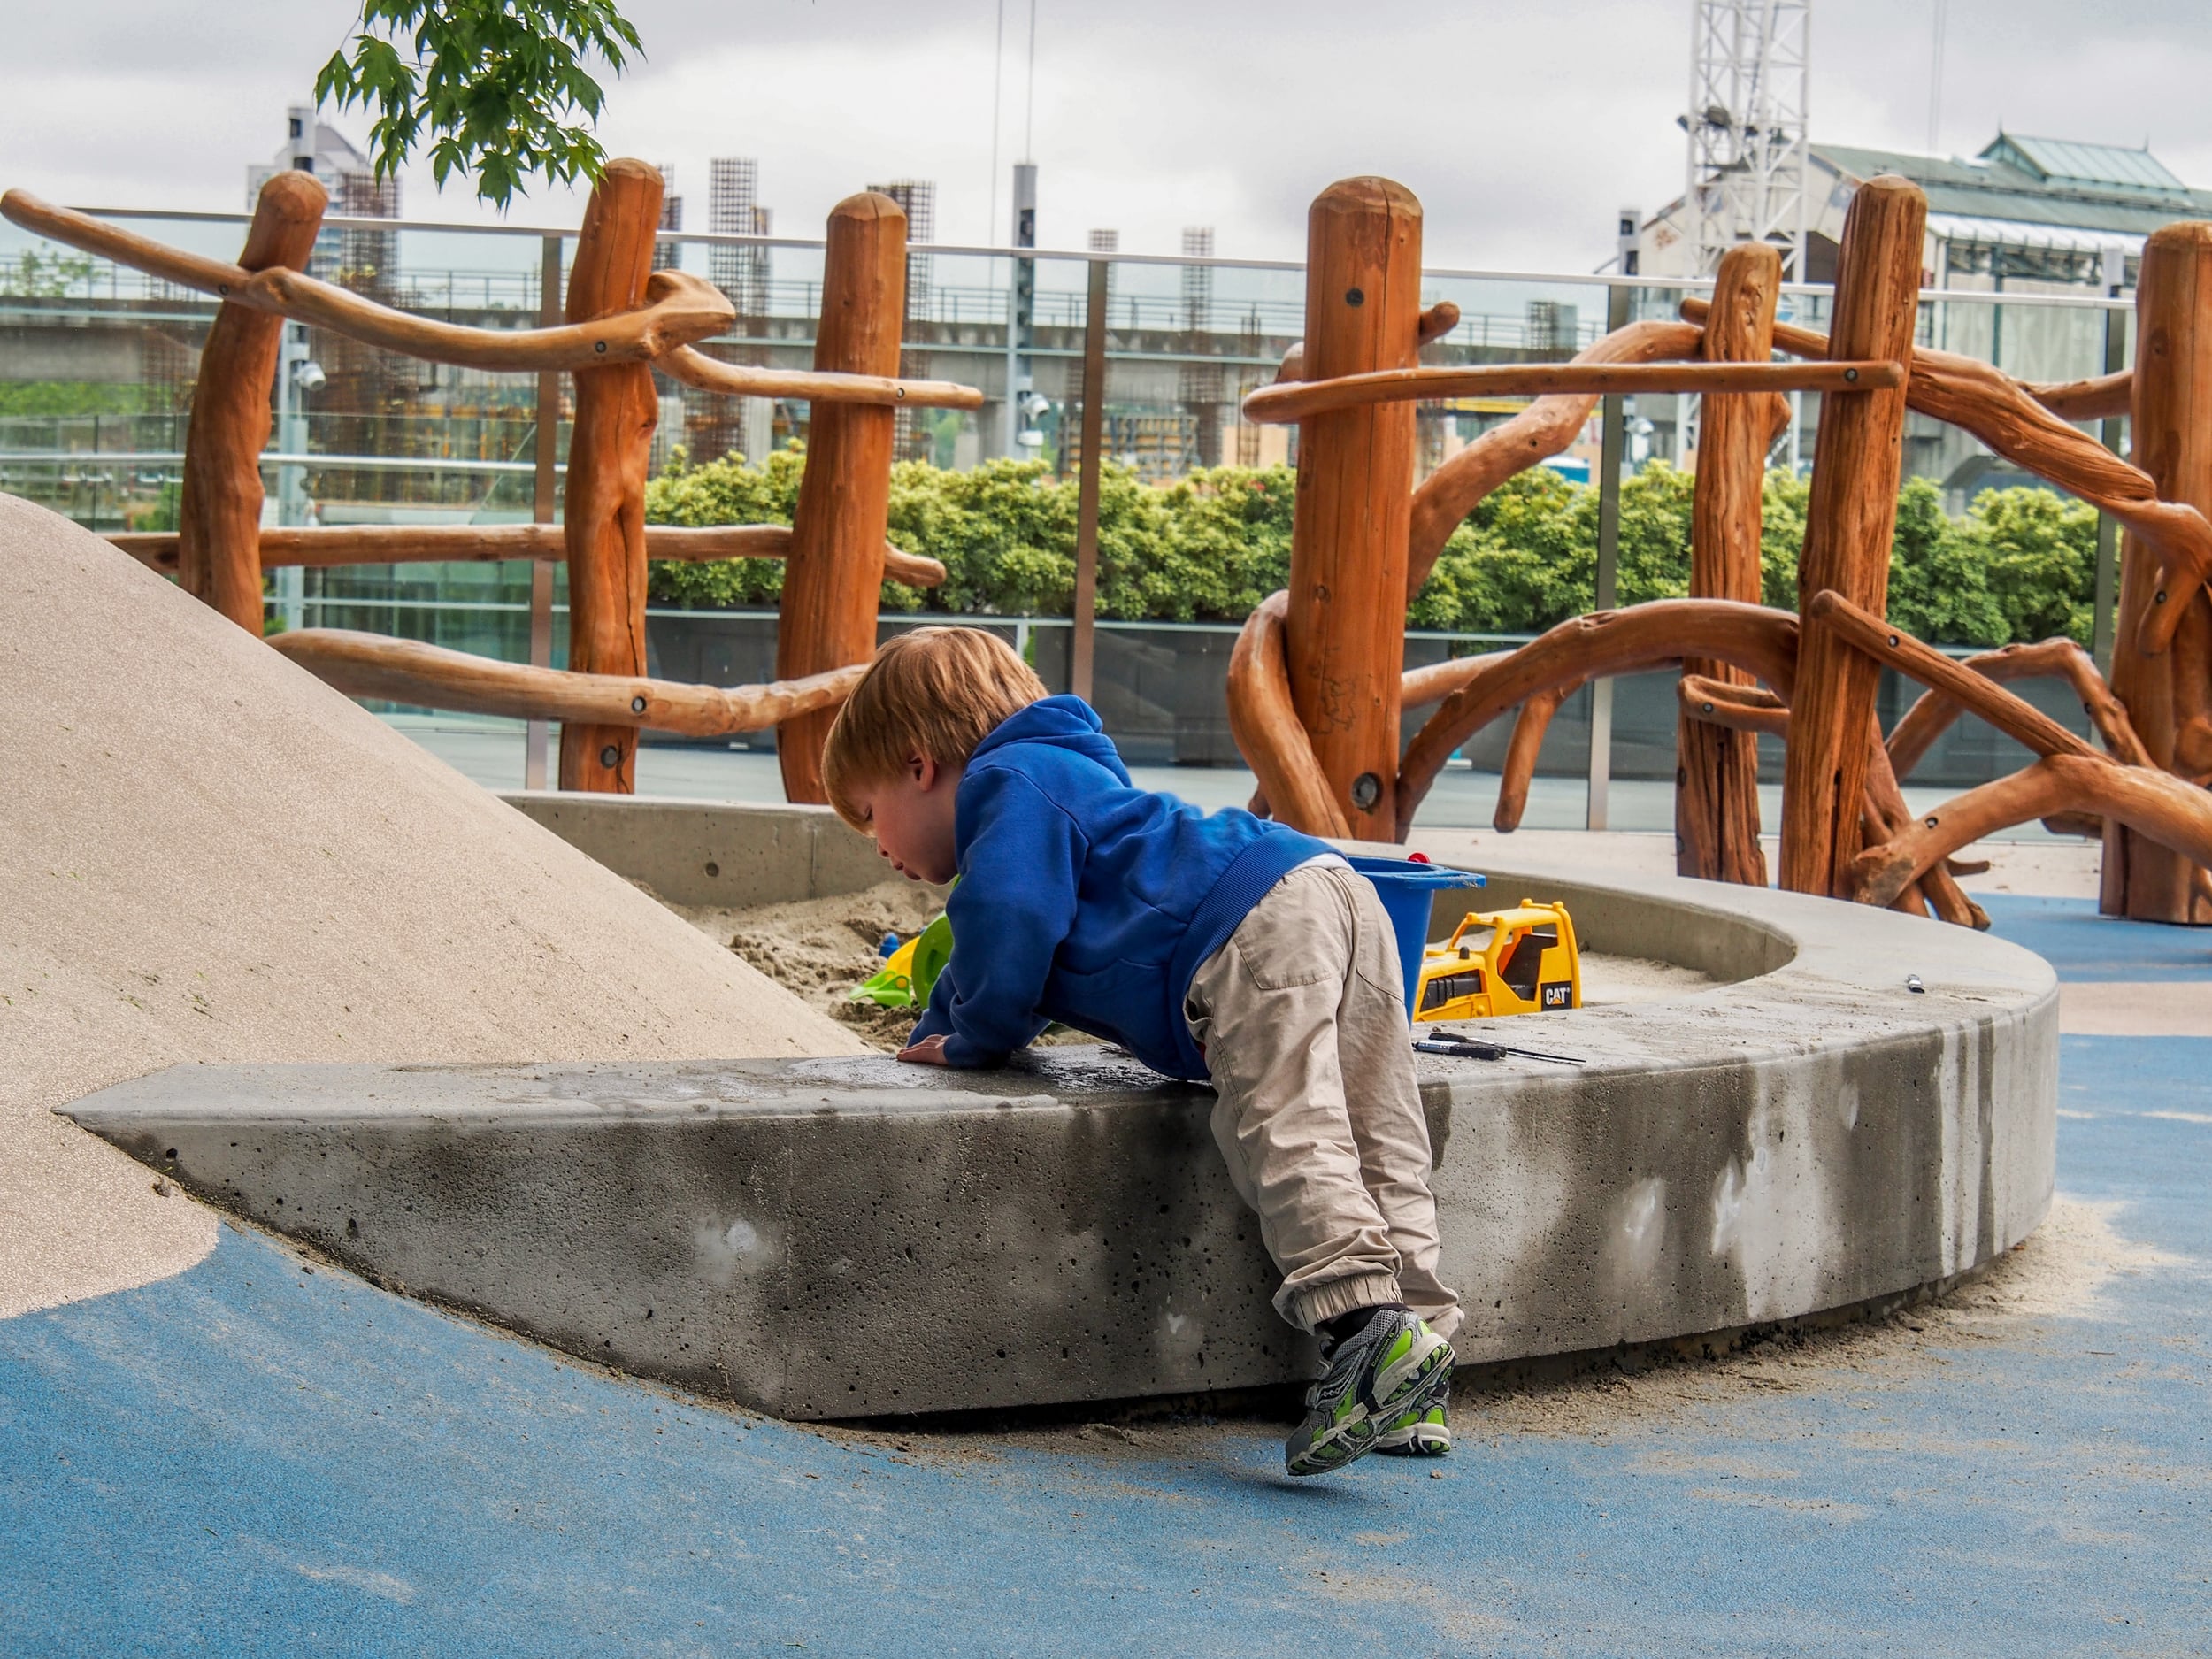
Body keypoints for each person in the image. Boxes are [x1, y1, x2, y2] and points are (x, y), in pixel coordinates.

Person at [820, 626, 1461, 1476]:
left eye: (869, 816)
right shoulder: (1066, 780)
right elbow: (985, 949)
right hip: (1335, 889)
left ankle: (1364, 1330)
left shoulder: (1005, 786)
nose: (879, 844)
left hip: (1250, 929)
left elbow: (1009, 921)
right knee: (1381, 1136)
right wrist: (942, 1022)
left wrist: (974, 1038)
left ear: (918, 765)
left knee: (1280, 1125)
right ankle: (1421, 1366)